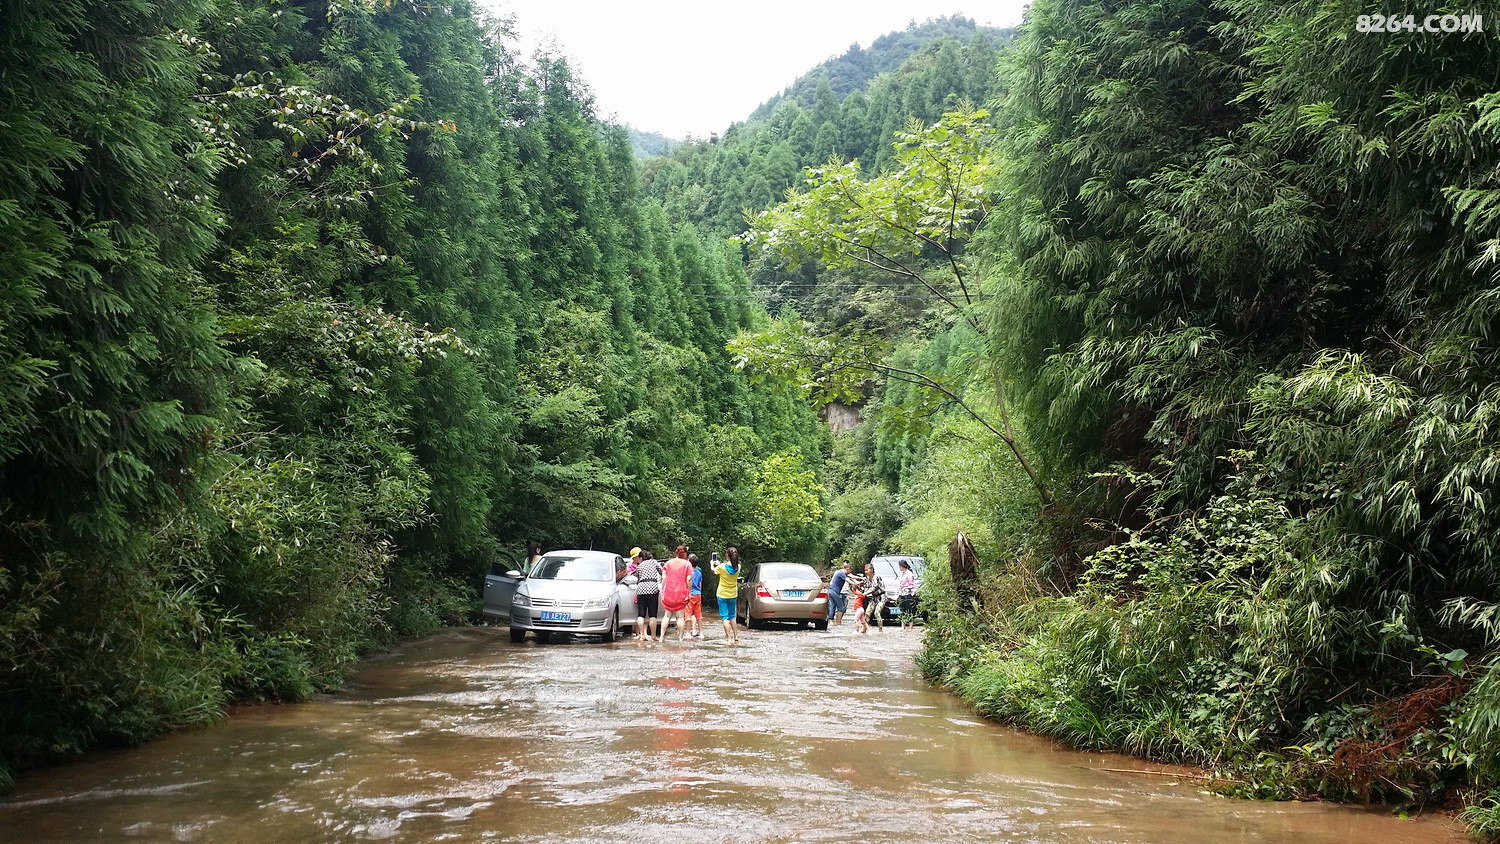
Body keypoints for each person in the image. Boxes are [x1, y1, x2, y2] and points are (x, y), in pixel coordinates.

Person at [661, 545, 693, 641]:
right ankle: (680, 638)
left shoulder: (668, 563)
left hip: (669, 592)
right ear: (685, 553)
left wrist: (663, 590)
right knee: (680, 617)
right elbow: (689, 579)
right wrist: (689, 592)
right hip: (681, 593)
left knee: (667, 616)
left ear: (676, 552)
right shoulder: (687, 564)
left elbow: (663, 578)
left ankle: (661, 637)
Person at [711, 547, 741, 645]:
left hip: (722, 594)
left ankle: (728, 638)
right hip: (733, 594)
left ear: (727, 555)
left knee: (725, 617)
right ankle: (736, 636)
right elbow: (729, 567)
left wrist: (712, 564)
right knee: (732, 616)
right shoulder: (738, 567)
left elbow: (714, 571)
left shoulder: (722, 567)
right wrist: (720, 565)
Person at [634, 550, 663, 644]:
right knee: (652, 614)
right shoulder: (654, 562)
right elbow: (662, 572)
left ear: (641, 558)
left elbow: (637, 578)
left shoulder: (639, 566)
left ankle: (642, 635)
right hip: (652, 588)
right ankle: (654, 636)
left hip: (641, 589)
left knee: (641, 614)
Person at [857, 562, 887, 634]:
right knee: (867, 613)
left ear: (872, 570)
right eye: (865, 570)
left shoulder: (876, 577)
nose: (865, 572)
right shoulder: (867, 578)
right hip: (874, 598)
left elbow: (874, 588)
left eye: (867, 570)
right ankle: (864, 629)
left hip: (881, 597)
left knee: (877, 613)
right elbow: (866, 587)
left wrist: (865, 593)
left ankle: (880, 629)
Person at [896, 559, 919, 630]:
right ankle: (903, 626)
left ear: (902, 566)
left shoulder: (909, 574)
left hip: (907, 594)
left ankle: (910, 627)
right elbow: (899, 584)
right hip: (901, 594)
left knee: (909, 610)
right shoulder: (901, 574)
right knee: (902, 610)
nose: (899, 568)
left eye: (899, 566)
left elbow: (911, 585)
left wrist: (904, 587)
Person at [828, 561, 851, 627]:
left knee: (841, 608)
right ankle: (838, 623)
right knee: (840, 608)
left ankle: (835, 622)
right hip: (836, 591)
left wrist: (860, 579)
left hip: (839, 591)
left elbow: (852, 577)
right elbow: (848, 580)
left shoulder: (845, 573)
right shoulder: (840, 573)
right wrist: (855, 583)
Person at [686, 553, 704, 639]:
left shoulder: (688, 572)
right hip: (698, 594)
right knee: (698, 613)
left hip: (690, 594)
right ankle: (700, 632)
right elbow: (700, 585)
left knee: (688, 613)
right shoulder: (699, 573)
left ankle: (688, 633)